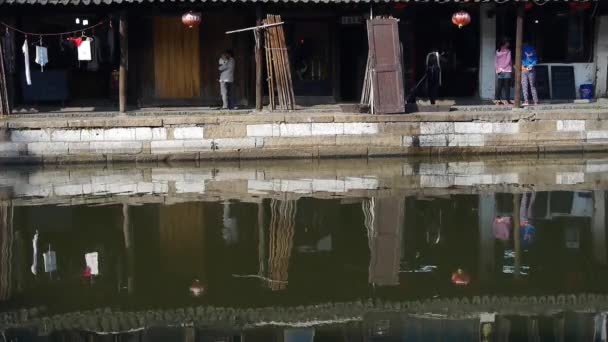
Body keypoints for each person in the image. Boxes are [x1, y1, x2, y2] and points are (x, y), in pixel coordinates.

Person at [495, 39, 513, 105]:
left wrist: (498, 69)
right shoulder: (508, 51)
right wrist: (503, 68)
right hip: (507, 70)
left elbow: (496, 61)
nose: (508, 44)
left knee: (499, 86)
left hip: (499, 71)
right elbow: (508, 61)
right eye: (507, 42)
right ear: (505, 43)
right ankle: (507, 101)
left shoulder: (497, 51)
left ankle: (497, 101)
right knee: (507, 87)